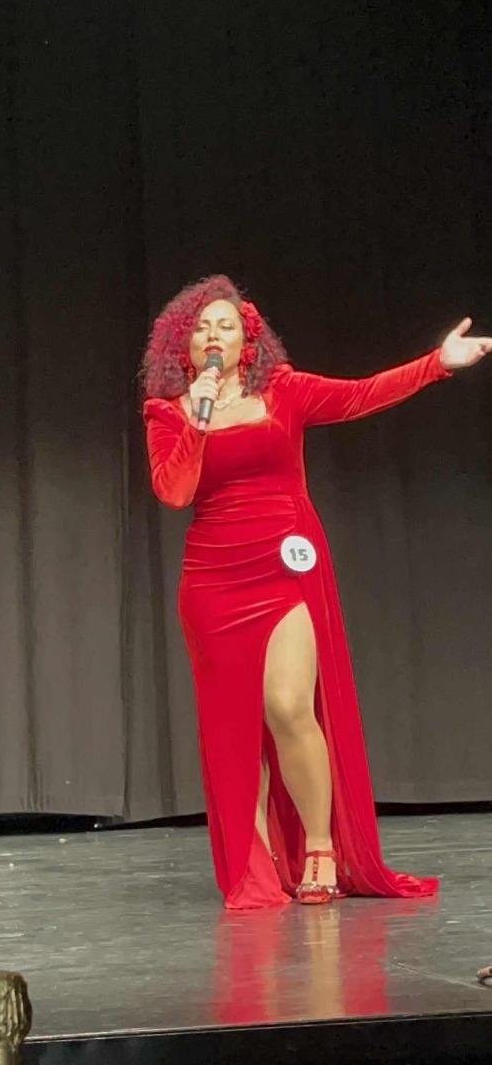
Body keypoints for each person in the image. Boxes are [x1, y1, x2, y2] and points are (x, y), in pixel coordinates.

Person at [141, 274, 491, 911]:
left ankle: (321, 846)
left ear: (247, 338)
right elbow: (174, 491)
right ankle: (255, 864)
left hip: (284, 565)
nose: (213, 335)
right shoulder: (168, 412)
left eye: (225, 325)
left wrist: (437, 363)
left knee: (288, 706)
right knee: (233, 729)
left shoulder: (285, 391)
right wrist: (199, 415)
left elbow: (360, 395)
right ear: (182, 345)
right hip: (213, 580)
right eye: (201, 328)